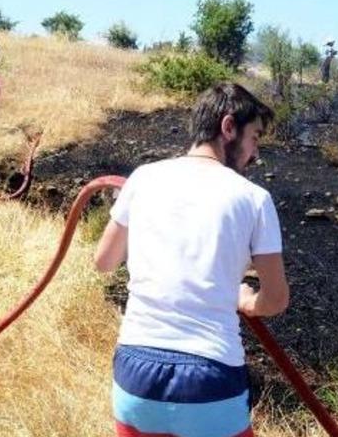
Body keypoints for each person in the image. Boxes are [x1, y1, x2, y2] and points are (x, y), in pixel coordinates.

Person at [94, 83, 290, 437]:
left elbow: (104, 261)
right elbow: (275, 300)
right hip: (209, 378)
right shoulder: (254, 198)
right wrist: (246, 299)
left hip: (136, 375)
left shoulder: (143, 178)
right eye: (255, 137)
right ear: (228, 127)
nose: (255, 153)